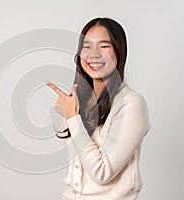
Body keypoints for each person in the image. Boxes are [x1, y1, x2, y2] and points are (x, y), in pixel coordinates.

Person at [46, 17, 151, 200]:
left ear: (119, 52)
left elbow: (102, 173)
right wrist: (71, 114)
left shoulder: (132, 103)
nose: (94, 54)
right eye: (87, 47)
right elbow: (79, 168)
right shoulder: (79, 102)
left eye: (104, 46)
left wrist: (72, 118)